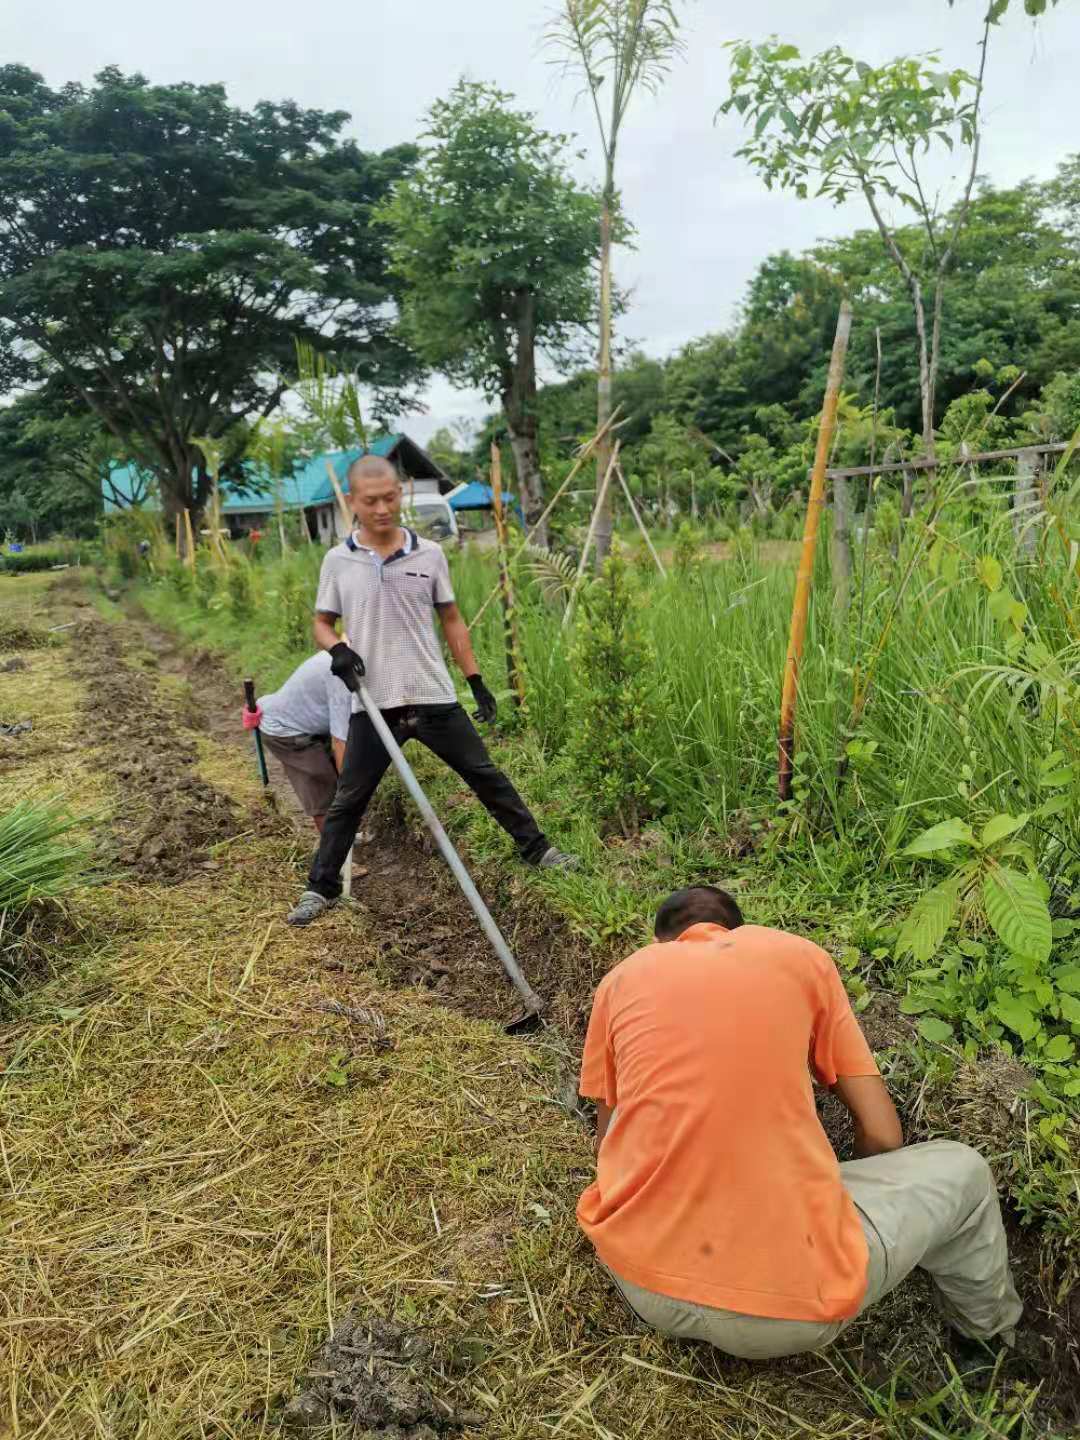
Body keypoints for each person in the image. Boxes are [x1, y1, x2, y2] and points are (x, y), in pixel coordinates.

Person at [577, 885, 1023, 1361]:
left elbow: (607, 1146)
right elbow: (882, 1133)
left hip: (641, 1280)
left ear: (658, 943)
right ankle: (987, 1344)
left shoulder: (620, 980)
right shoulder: (798, 956)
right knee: (966, 1171)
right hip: (784, 1314)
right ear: (740, 930)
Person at [286, 455, 574, 926]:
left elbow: (452, 619)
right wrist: (337, 648)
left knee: (484, 774)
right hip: (376, 702)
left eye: (390, 498)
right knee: (350, 798)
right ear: (352, 502)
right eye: (371, 501)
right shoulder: (338, 560)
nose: (382, 509)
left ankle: (538, 850)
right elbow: (321, 623)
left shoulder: (430, 554)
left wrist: (475, 679)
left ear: (400, 494)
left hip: (432, 693)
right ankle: (321, 887)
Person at [242, 652, 352, 832]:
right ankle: (334, 844)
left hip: (309, 720)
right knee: (320, 785)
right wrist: (350, 791)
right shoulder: (339, 673)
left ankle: (345, 834)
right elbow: (340, 742)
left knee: (337, 778)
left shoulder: (344, 653)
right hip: (284, 728)